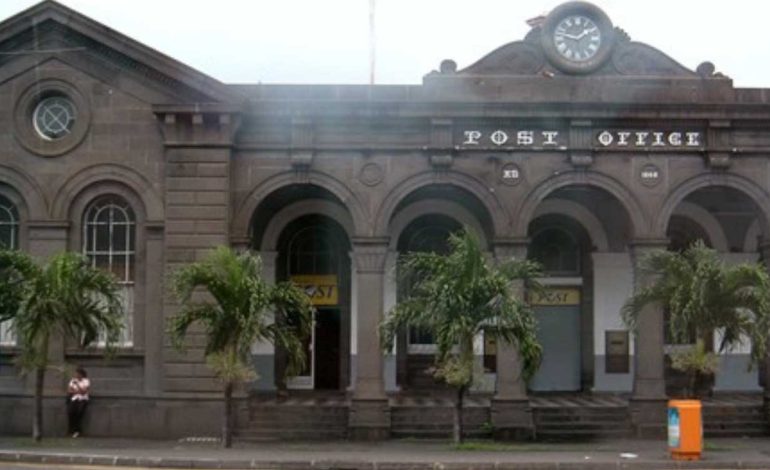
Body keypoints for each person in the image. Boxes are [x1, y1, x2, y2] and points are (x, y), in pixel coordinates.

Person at [66, 366, 90, 437]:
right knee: (71, 412)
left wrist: (77, 385)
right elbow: (69, 391)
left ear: (81, 374)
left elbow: (84, 392)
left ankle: (77, 431)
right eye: (76, 374)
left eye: (78, 374)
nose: (76, 375)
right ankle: (72, 430)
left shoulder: (86, 381)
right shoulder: (72, 380)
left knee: (79, 412)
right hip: (74, 399)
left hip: (83, 399)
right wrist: (77, 391)